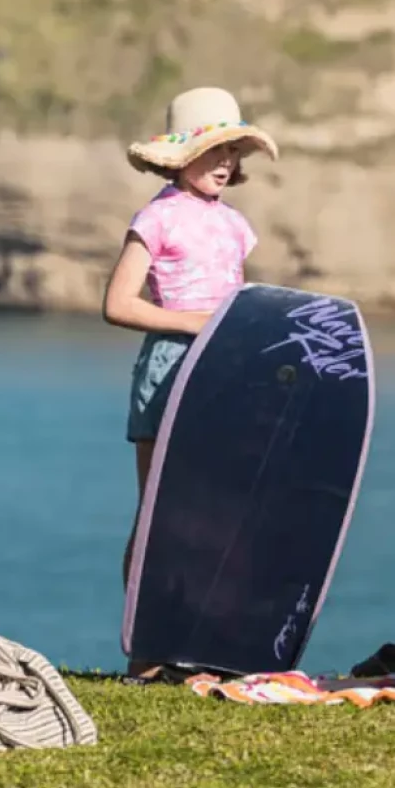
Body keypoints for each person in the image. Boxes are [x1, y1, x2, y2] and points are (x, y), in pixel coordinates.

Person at [103, 86, 278, 606]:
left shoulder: (234, 224)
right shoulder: (157, 217)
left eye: (232, 152)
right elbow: (118, 304)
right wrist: (195, 323)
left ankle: (199, 630)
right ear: (181, 157)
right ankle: (145, 644)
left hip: (225, 366)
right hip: (170, 367)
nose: (225, 163)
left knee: (219, 505)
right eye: (214, 151)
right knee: (159, 510)